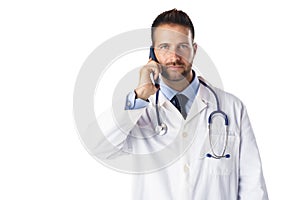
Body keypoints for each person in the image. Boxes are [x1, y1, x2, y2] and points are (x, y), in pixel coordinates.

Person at [97, 8, 268, 200]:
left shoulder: (231, 108)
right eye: (164, 46)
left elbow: (253, 186)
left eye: (182, 47)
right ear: (152, 53)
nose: (174, 57)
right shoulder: (140, 109)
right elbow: (100, 147)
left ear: (194, 50)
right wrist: (140, 94)